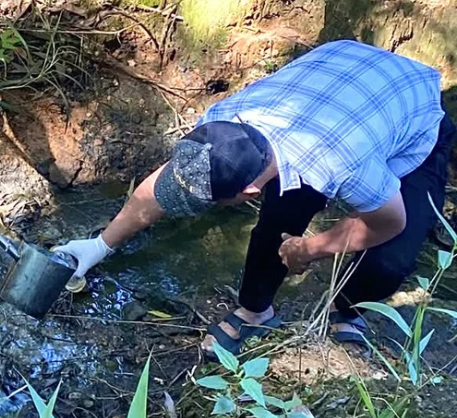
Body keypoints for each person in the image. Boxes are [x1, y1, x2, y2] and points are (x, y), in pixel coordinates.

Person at [53, 40, 454, 353]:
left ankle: (347, 309)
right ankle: (256, 312)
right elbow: (165, 182)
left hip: (413, 111)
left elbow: (387, 222)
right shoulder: (221, 122)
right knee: (280, 219)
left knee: (390, 260)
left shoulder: (342, 166)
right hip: (342, 69)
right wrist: (100, 245)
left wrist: (309, 249)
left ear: (248, 192)